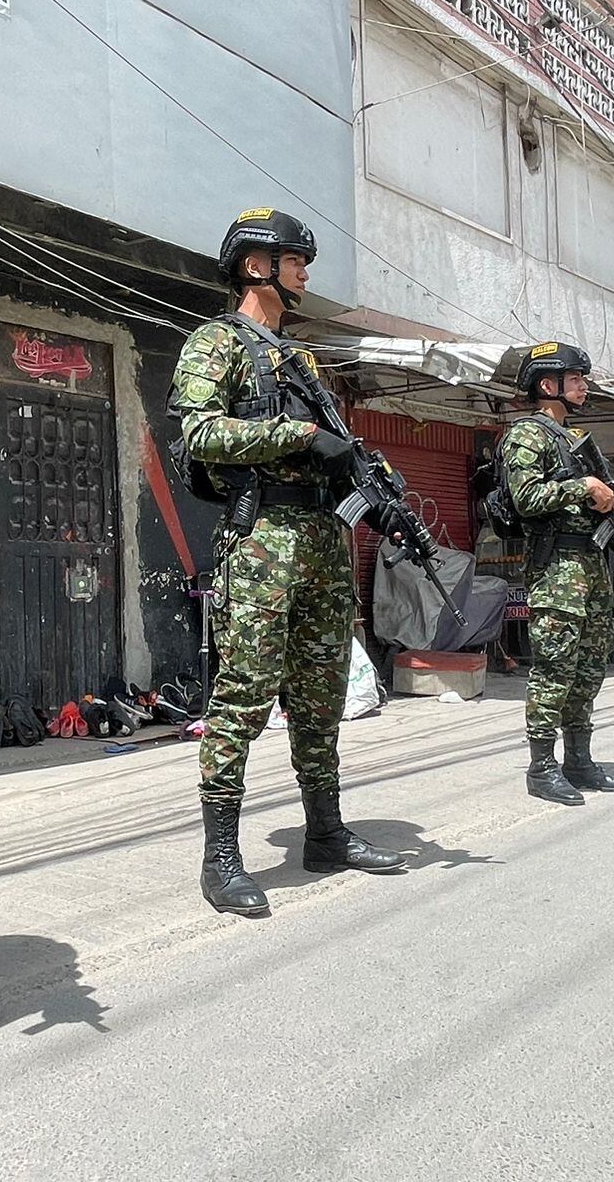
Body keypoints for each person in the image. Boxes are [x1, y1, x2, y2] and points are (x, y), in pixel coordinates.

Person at [170, 207, 403, 918]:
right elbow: (200, 431)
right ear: (256, 265)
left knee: (321, 696)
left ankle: (326, 832)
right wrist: (297, 434)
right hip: (263, 538)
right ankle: (221, 856)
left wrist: (376, 483)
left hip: (324, 541)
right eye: (296, 258)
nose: (306, 270)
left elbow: (338, 451)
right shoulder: (218, 342)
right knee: (243, 697)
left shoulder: (299, 360)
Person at [500, 342, 614, 806]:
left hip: (591, 568)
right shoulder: (528, 435)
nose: (583, 385)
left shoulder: (573, 440)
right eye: (575, 378)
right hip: (557, 570)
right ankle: (542, 767)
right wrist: (583, 486)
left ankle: (579, 760)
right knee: (554, 669)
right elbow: (526, 499)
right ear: (548, 385)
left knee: (589, 667)